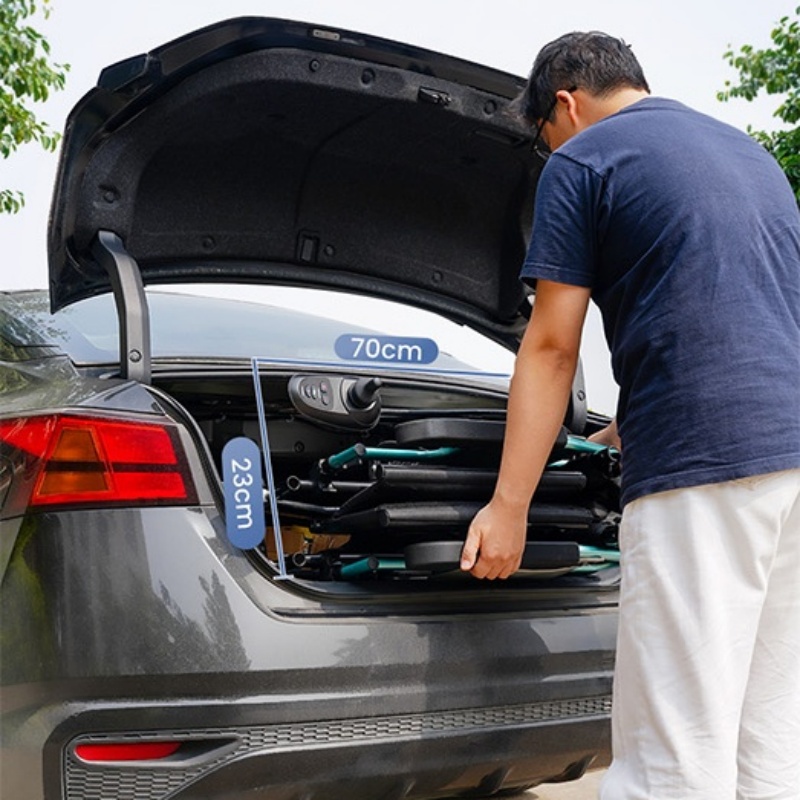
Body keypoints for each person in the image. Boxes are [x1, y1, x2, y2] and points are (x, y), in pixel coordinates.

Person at [459, 31, 800, 799]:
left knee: (673, 748)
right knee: (768, 735)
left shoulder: (585, 159)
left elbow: (548, 349)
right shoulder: (748, 154)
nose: (551, 153)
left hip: (706, 472)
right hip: (791, 455)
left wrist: (509, 506)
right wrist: (632, 419)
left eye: (544, 138)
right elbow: (753, 311)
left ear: (565, 105)